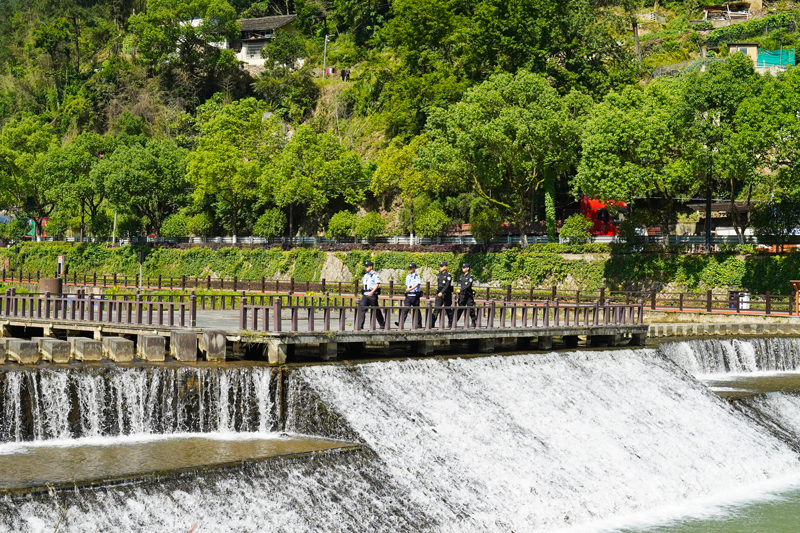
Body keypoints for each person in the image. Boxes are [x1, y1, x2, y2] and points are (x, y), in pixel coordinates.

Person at [358, 260, 384, 329]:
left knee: (375, 309)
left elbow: (377, 284)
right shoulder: (366, 275)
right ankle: (360, 324)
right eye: (365, 266)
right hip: (365, 294)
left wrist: (372, 292)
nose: (366, 268)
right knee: (362, 309)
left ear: (371, 267)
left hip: (372, 294)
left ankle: (382, 324)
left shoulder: (375, 274)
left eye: (367, 266)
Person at [396, 262, 422, 328]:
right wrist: (408, 290)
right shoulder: (408, 276)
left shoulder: (417, 276)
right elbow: (407, 285)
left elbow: (417, 284)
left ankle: (419, 323)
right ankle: (401, 323)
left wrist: (410, 289)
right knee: (406, 309)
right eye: (409, 268)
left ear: (414, 268)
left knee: (416, 310)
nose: (410, 269)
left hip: (415, 295)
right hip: (408, 296)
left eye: (411, 268)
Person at [431, 261, 453, 328]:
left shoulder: (448, 275)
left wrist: (442, 292)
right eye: (440, 266)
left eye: (442, 266)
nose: (440, 268)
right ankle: (432, 323)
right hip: (439, 294)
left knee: (448, 309)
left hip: (446, 294)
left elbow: (447, 285)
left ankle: (451, 323)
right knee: (436, 308)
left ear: (445, 267)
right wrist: (438, 292)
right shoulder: (439, 275)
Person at [455, 262, 477, 327]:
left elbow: (468, 285)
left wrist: (461, 290)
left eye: (464, 268)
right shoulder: (461, 276)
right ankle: (454, 322)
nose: (463, 269)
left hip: (468, 295)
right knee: (460, 308)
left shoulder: (470, 277)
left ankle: (473, 320)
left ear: (468, 268)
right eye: (462, 267)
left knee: (470, 309)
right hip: (462, 295)